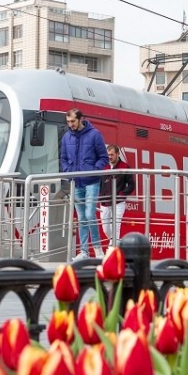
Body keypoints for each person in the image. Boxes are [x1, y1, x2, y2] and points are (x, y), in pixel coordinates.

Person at [60, 108, 109, 261]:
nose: (70, 125)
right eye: (68, 122)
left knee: (89, 214)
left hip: (92, 181)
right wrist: (69, 171)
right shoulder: (66, 137)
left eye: (73, 121)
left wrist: (94, 170)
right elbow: (63, 158)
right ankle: (84, 252)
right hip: (76, 182)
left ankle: (97, 249)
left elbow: (104, 157)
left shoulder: (94, 134)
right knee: (81, 217)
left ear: (81, 119)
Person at [99, 144, 135, 248]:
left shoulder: (125, 167)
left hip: (118, 202)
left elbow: (131, 185)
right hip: (105, 202)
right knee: (105, 228)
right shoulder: (104, 167)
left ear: (118, 154)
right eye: (108, 155)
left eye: (112, 155)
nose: (109, 157)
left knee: (116, 225)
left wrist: (122, 195)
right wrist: (100, 195)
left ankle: (112, 247)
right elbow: (101, 183)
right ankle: (116, 242)